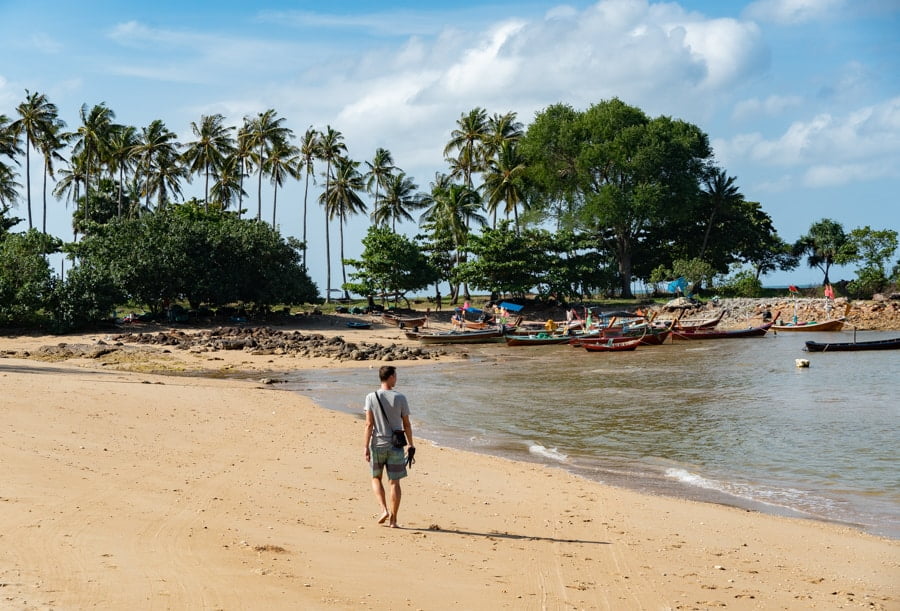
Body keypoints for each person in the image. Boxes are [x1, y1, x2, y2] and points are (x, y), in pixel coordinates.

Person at [364, 365, 414, 528]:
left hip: (377, 444)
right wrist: (411, 444)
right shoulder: (400, 398)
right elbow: (406, 424)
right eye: (395, 376)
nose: (396, 378)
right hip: (396, 445)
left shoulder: (371, 397)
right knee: (395, 482)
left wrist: (365, 446)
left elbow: (369, 424)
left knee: (376, 478)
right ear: (391, 377)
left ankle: (383, 509)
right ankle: (394, 520)